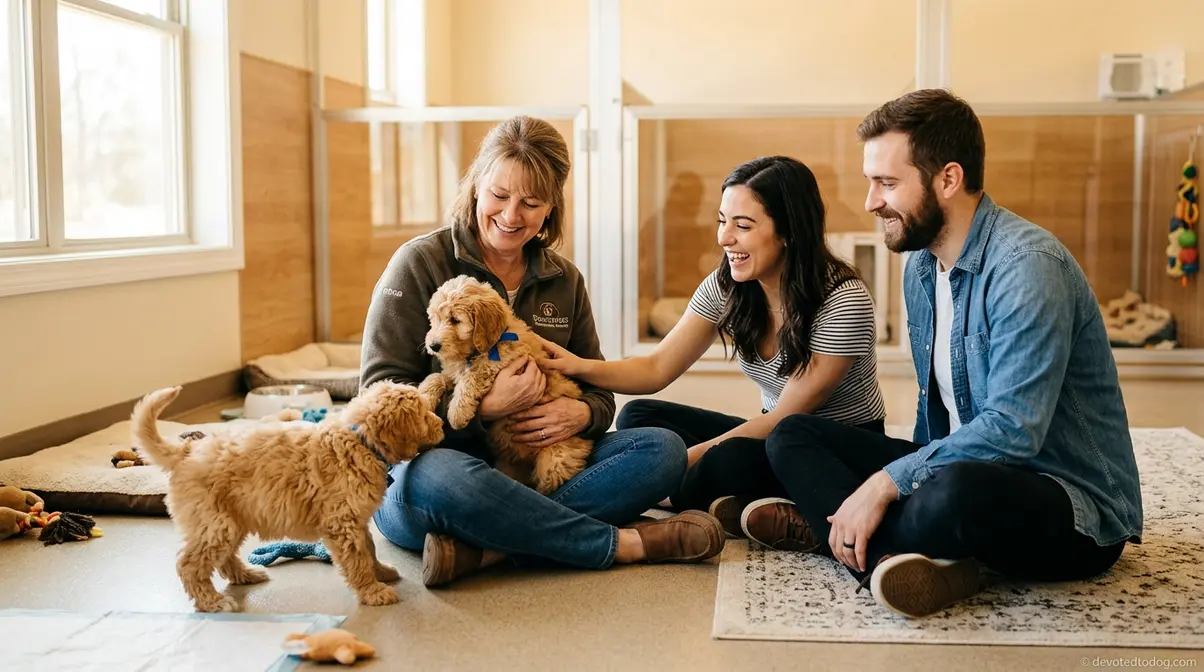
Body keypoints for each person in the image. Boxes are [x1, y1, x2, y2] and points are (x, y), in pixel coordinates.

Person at [746, 88, 1144, 618]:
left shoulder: (1027, 265)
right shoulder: (920, 266)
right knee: (792, 434)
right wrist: (901, 477)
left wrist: (888, 483)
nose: (871, 202)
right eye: (872, 183)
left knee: (951, 489)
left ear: (948, 179)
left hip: (1066, 506)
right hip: (963, 470)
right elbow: (936, 413)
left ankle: (840, 533)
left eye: (887, 183)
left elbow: (1014, 430)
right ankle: (899, 561)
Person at [361, 115, 726, 588]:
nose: (512, 216)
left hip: (535, 465)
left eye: (531, 203)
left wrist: (579, 415)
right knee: (441, 480)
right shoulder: (420, 262)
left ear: (551, 207)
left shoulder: (564, 279)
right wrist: (483, 409)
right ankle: (622, 544)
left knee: (661, 449)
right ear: (475, 186)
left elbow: (598, 395)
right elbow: (378, 396)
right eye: (499, 195)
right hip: (442, 468)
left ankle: (487, 551)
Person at [540, 155, 886, 538]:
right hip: (774, 436)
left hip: (830, 449)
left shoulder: (842, 300)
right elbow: (657, 368)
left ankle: (734, 497)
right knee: (640, 418)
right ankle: (739, 502)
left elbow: (782, 420)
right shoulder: (729, 285)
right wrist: (578, 366)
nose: (724, 238)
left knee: (726, 458)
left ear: (788, 230)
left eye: (743, 225)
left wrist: (670, 465)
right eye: (722, 221)